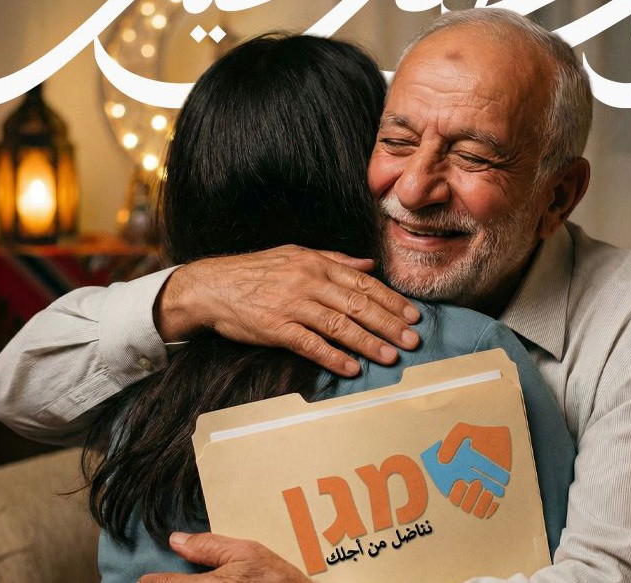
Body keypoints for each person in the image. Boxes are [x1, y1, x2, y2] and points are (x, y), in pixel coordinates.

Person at [0, 9, 631, 583]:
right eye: (397, 141)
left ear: (558, 195)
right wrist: (194, 291)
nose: (415, 189)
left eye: (473, 156)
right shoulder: (256, 307)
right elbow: (19, 391)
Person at [74, 33, 575, 582]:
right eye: (398, 141)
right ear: (357, 171)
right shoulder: (474, 352)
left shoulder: (142, 396)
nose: (413, 185)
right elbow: (556, 558)